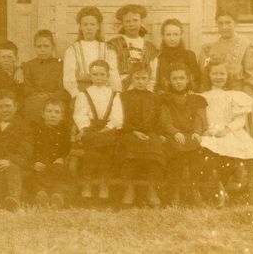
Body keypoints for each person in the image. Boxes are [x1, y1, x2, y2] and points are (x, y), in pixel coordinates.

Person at [200, 61, 253, 204]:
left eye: (222, 73)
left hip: (230, 131)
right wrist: (208, 130)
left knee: (243, 149)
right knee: (209, 150)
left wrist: (226, 130)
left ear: (228, 76)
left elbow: (240, 120)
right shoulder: (203, 96)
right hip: (210, 131)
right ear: (209, 75)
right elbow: (201, 117)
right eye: (214, 73)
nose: (218, 77)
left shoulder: (234, 95)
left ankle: (235, 186)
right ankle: (218, 187)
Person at [73, 60, 123, 200]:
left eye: (102, 74)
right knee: (92, 149)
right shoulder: (84, 94)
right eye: (95, 74)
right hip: (91, 129)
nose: (99, 77)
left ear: (108, 76)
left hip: (108, 130)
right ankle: (87, 182)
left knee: (106, 150)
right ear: (90, 76)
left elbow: (118, 117)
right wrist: (84, 128)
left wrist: (107, 128)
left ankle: (103, 183)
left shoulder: (114, 94)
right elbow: (79, 114)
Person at [117, 64, 165, 207]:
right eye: (137, 78)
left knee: (155, 146)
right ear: (131, 78)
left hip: (150, 133)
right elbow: (120, 118)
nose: (140, 81)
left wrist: (158, 134)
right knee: (130, 148)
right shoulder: (123, 97)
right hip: (129, 132)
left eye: (143, 78)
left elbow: (158, 119)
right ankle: (129, 188)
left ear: (149, 79)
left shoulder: (155, 98)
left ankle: (151, 189)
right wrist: (134, 131)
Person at [160, 63, 207, 206]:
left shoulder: (196, 99)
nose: (178, 81)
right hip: (174, 135)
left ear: (188, 79)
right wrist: (175, 132)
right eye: (174, 78)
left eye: (182, 78)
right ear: (169, 80)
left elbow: (199, 118)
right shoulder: (165, 98)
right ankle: (176, 192)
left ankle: (195, 190)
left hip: (191, 134)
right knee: (177, 154)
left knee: (196, 155)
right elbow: (165, 120)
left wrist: (197, 132)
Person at [0, 90, 33, 211]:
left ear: (16, 107)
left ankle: (13, 200)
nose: (4, 110)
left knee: (13, 169)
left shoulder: (24, 126)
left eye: (8, 106)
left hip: (16, 162)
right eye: (0, 107)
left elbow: (26, 150)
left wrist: (9, 160)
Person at [198, 9, 253, 95]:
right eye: (220, 23)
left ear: (235, 23)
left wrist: (242, 99)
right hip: (215, 97)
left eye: (228, 23)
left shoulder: (246, 47)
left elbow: (252, 79)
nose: (224, 27)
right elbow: (204, 77)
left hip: (238, 96)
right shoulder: (209, 48)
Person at [63, 6, 121, 97]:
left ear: (98, 26)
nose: (89, 28)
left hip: (104, 92)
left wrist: (115, 92)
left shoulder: (107, 49)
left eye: (92, 24)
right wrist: (77, 94)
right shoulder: (72, 50)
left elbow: (113, 74)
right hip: (81, 91)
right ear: (80, 27)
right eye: (85, 25)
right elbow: (68, 77)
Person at [28, 98, 73, 208]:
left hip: (56, 166)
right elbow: (28, 149)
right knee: (35, 179)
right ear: (42, 114)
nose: (52, 115)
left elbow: (67, 148)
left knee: (60, 178)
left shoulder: (64, 132)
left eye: (57, 112)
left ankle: (57, 197)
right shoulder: (35, 131)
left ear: (62, 116)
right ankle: (40, 196)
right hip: (39, 165)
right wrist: (33, 163)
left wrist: (62, 158)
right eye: (49, 111)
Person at [19, 30, 67, 126]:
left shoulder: (60, 65)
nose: (42, 49)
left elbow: (62, 87)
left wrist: (49, 96)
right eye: (39, 46)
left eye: (46, 46)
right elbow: (27, 86)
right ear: (34, 47)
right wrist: (36, 95)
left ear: (52, 47)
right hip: (35, 100)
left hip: (54, 100)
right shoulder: (28, 65)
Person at [107, 4, 159, 91]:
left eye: (135, 20)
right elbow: (112, 70)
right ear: (122, 23)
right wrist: (119, 91)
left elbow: (153, 74)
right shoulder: (114, 44)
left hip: (144, 90)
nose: (131, 24)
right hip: (122, 89)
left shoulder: (150, 47)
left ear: (141, 22)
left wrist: (149, 91)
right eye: (127, 21)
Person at [155, 18, 201, 93]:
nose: (172, 38)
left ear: (181, 35)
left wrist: (191, 90)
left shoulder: (189, 55)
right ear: (163, 36)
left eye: (176, 34)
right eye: (168, 35)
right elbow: (155, 81)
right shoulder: (158, 57)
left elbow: (196, 80)